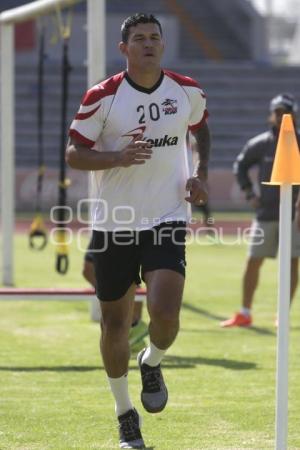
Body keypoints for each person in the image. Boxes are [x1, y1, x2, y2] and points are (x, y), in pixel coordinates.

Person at [66, 13, 210, 449]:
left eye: (154, 37)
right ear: (123, 48)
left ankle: (153, 360)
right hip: (115, 224)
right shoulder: (103, 97)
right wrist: (118, 158)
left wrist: (200, 173)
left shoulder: (186, 91)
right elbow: (75, 153)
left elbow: (200, 128)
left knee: (166, 314)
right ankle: (125, 414)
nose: (148, 44)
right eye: (139, 38)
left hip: (167, 216)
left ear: (162, 45)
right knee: (115, 324)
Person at [221, 93, 300, 328]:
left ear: (293, 115)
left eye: (285, 112)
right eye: (276, 112)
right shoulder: (261, 144)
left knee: (292, 263)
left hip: (294, 218)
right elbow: (240, 166)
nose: (280, 116)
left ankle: (282, 315)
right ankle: (245, 312)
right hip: (265, 214)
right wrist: (249, 193)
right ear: (271, 115)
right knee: (253, 261)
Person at [83, 240, 148, 352]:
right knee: (89, 269)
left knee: (130, 274)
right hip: (108, 229)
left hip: (135, 231)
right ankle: (134, 325)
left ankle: (134, 326)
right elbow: (87, 270)